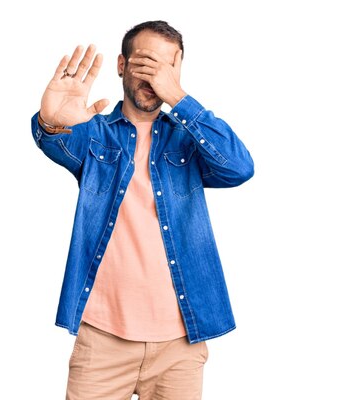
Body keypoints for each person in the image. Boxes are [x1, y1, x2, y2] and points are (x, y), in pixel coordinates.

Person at [30, 20, 254, 399]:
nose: (154, 76)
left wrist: (181, 98)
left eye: (165, 67)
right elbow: (58, 144)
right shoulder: (95, 131)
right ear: (122, 65)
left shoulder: (189, 139)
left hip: (180, 342)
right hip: (102, 340)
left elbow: (239, 168)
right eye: (144, 63)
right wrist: (51, 124)